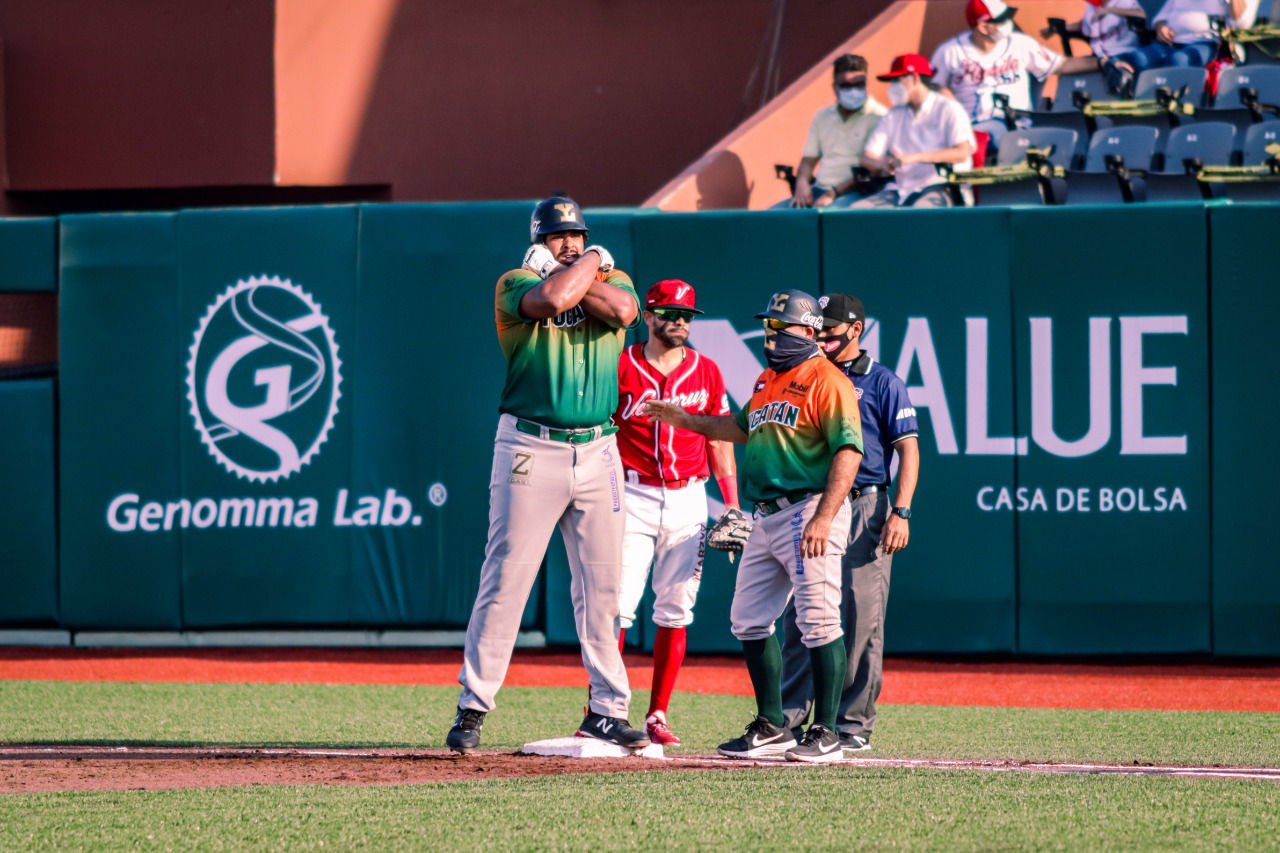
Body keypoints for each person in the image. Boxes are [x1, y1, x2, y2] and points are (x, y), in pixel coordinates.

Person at [446, 196, 651, 754]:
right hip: (531, 448)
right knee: (507, 578)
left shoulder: (611, 274)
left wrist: (584, 265)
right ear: (538, 240)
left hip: (599, 446)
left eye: (577, 234)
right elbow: (554, 298)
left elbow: (626, 313)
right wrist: (580, 269)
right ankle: (473, 706)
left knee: (603, 587)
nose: (570, 242)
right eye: (558, 236)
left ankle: (608, 710)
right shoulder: (513, 281)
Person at [643, 289, 864, 764]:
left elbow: (849, 450)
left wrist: (825, 516)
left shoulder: (827, 379)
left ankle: (826, 731)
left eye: (778, 326)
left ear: (807, 331)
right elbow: (741, 427)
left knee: (819, 620)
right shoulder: (768, 378)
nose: (769, 334)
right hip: (766, 516)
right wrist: (686, 420)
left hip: (809, 508)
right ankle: (774, 724)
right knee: (747, 618)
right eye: (767, 325)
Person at [779, 294, 920, 754]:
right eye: (816, 332)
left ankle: (851, 722)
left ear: (856, 331)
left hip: (864, 506)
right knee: (805, 614)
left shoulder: (882, 381)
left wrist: (901, 511)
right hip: (814, 504)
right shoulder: (809, 375)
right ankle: (790, 716)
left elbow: (908, 451)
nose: (821, 340)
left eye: (831, 333)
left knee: (861, 617)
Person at [612, 279, 739, 746]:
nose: (680, 321)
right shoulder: (620, 365)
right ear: (647, 316)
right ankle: (604, 708)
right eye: (669, 313)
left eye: (686, 315)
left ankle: (657, 713)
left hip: (689, 497)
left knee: (675, 609)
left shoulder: (707, 370)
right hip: (631, 494)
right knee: (617, 608)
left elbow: (719, 436)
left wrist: (731, 503)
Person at [930, 0, 1101, 157]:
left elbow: (1061, 65)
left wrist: (1102, 63)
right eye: (1001, 20)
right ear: (983, 27)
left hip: (1017, 123)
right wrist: (954, 111)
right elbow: (935, 88)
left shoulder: (1020, 44)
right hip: (974, 126)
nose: (1008, 23)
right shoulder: (950, 51)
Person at [853, 54, 977, 209]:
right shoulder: (894, 114)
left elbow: (962, 152)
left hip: (941, 186)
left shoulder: (948, 109)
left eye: (897, 81)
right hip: (900, 190)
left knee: (917, 217)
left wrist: (913, 158)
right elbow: (866, 157)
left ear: (915, 78)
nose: (892, 87)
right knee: (856, 213)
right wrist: (882, 163)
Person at [777, 54, 888, 209]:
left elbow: (872, 170)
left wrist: (833, 194)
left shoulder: (880, 117)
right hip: (819, 189)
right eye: (846, 86)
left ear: (867, 84)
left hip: (857, 192)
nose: (853, 91)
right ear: (834, 87)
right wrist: (801, 185)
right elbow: (809, 160)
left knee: (830, 217)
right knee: (773, 216)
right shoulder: (822, 116)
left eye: (859, 84)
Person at [1107, 0, 1258, 77]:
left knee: (1179, 62)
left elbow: (1241, 24)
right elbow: (1162, 16)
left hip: (1208, 42)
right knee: (1137, 58)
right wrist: (1161, 27)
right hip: (1172, 42)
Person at [1041, 0, 1144, 64]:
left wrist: (1111, 10)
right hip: (1099, 55)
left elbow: (1141, 15)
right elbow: (1083, 27)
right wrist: (1054, 29)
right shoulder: (1091, 5)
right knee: (1068, 65)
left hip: (1123, 52)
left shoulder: (1123, 1)